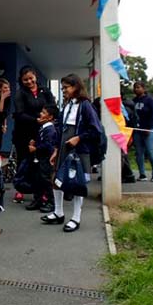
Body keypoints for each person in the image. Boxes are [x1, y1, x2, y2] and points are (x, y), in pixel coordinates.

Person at [43, 74, 102, 232]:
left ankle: (76, 218)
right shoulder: (67, 105)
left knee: (77, 183)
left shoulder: (85, 106)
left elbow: (96, 130)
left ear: (76, 87)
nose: (64, 91)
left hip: (79, 149)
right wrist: (56, 148)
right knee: (55, 179)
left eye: (66, 88)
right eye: (62, 88)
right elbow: (60, 128)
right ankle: (58, 212)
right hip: (63, 147)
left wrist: (79, 138)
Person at [11, 67, 55, 203]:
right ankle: (20, 188)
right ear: (21, 80)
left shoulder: (45, 91)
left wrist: (46, 118)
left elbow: (53, 106)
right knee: (23, 161)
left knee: (41, 162)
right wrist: (36, 119)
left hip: (42, 132)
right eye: (25, 80)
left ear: (35, 76)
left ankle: (41, 191)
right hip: (23, 132)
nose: (29, 81)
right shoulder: (20, 93)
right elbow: (19, 114)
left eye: (31, 78)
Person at [27, 104, 60, 213]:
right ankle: (38, 199)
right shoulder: (43, 127)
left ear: (50, 117)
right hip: (40, 159)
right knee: (38, 179)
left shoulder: (50, 130)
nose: (40, 114)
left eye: (44, 113)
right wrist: (35, 142)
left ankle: (51, 202)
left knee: (46, 180)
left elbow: (48, 145)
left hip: (46, 159)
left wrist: (35, 148)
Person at [131, 81, 153, 181]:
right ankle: (142, 174)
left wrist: (149, 127)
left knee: (150, 151)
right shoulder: (133, 101)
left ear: (143, 88)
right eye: (134, 87)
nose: (136, 89)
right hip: (136, 130)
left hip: (148, 129)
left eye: (138, 87)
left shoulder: (150, 100)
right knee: (139, 152)